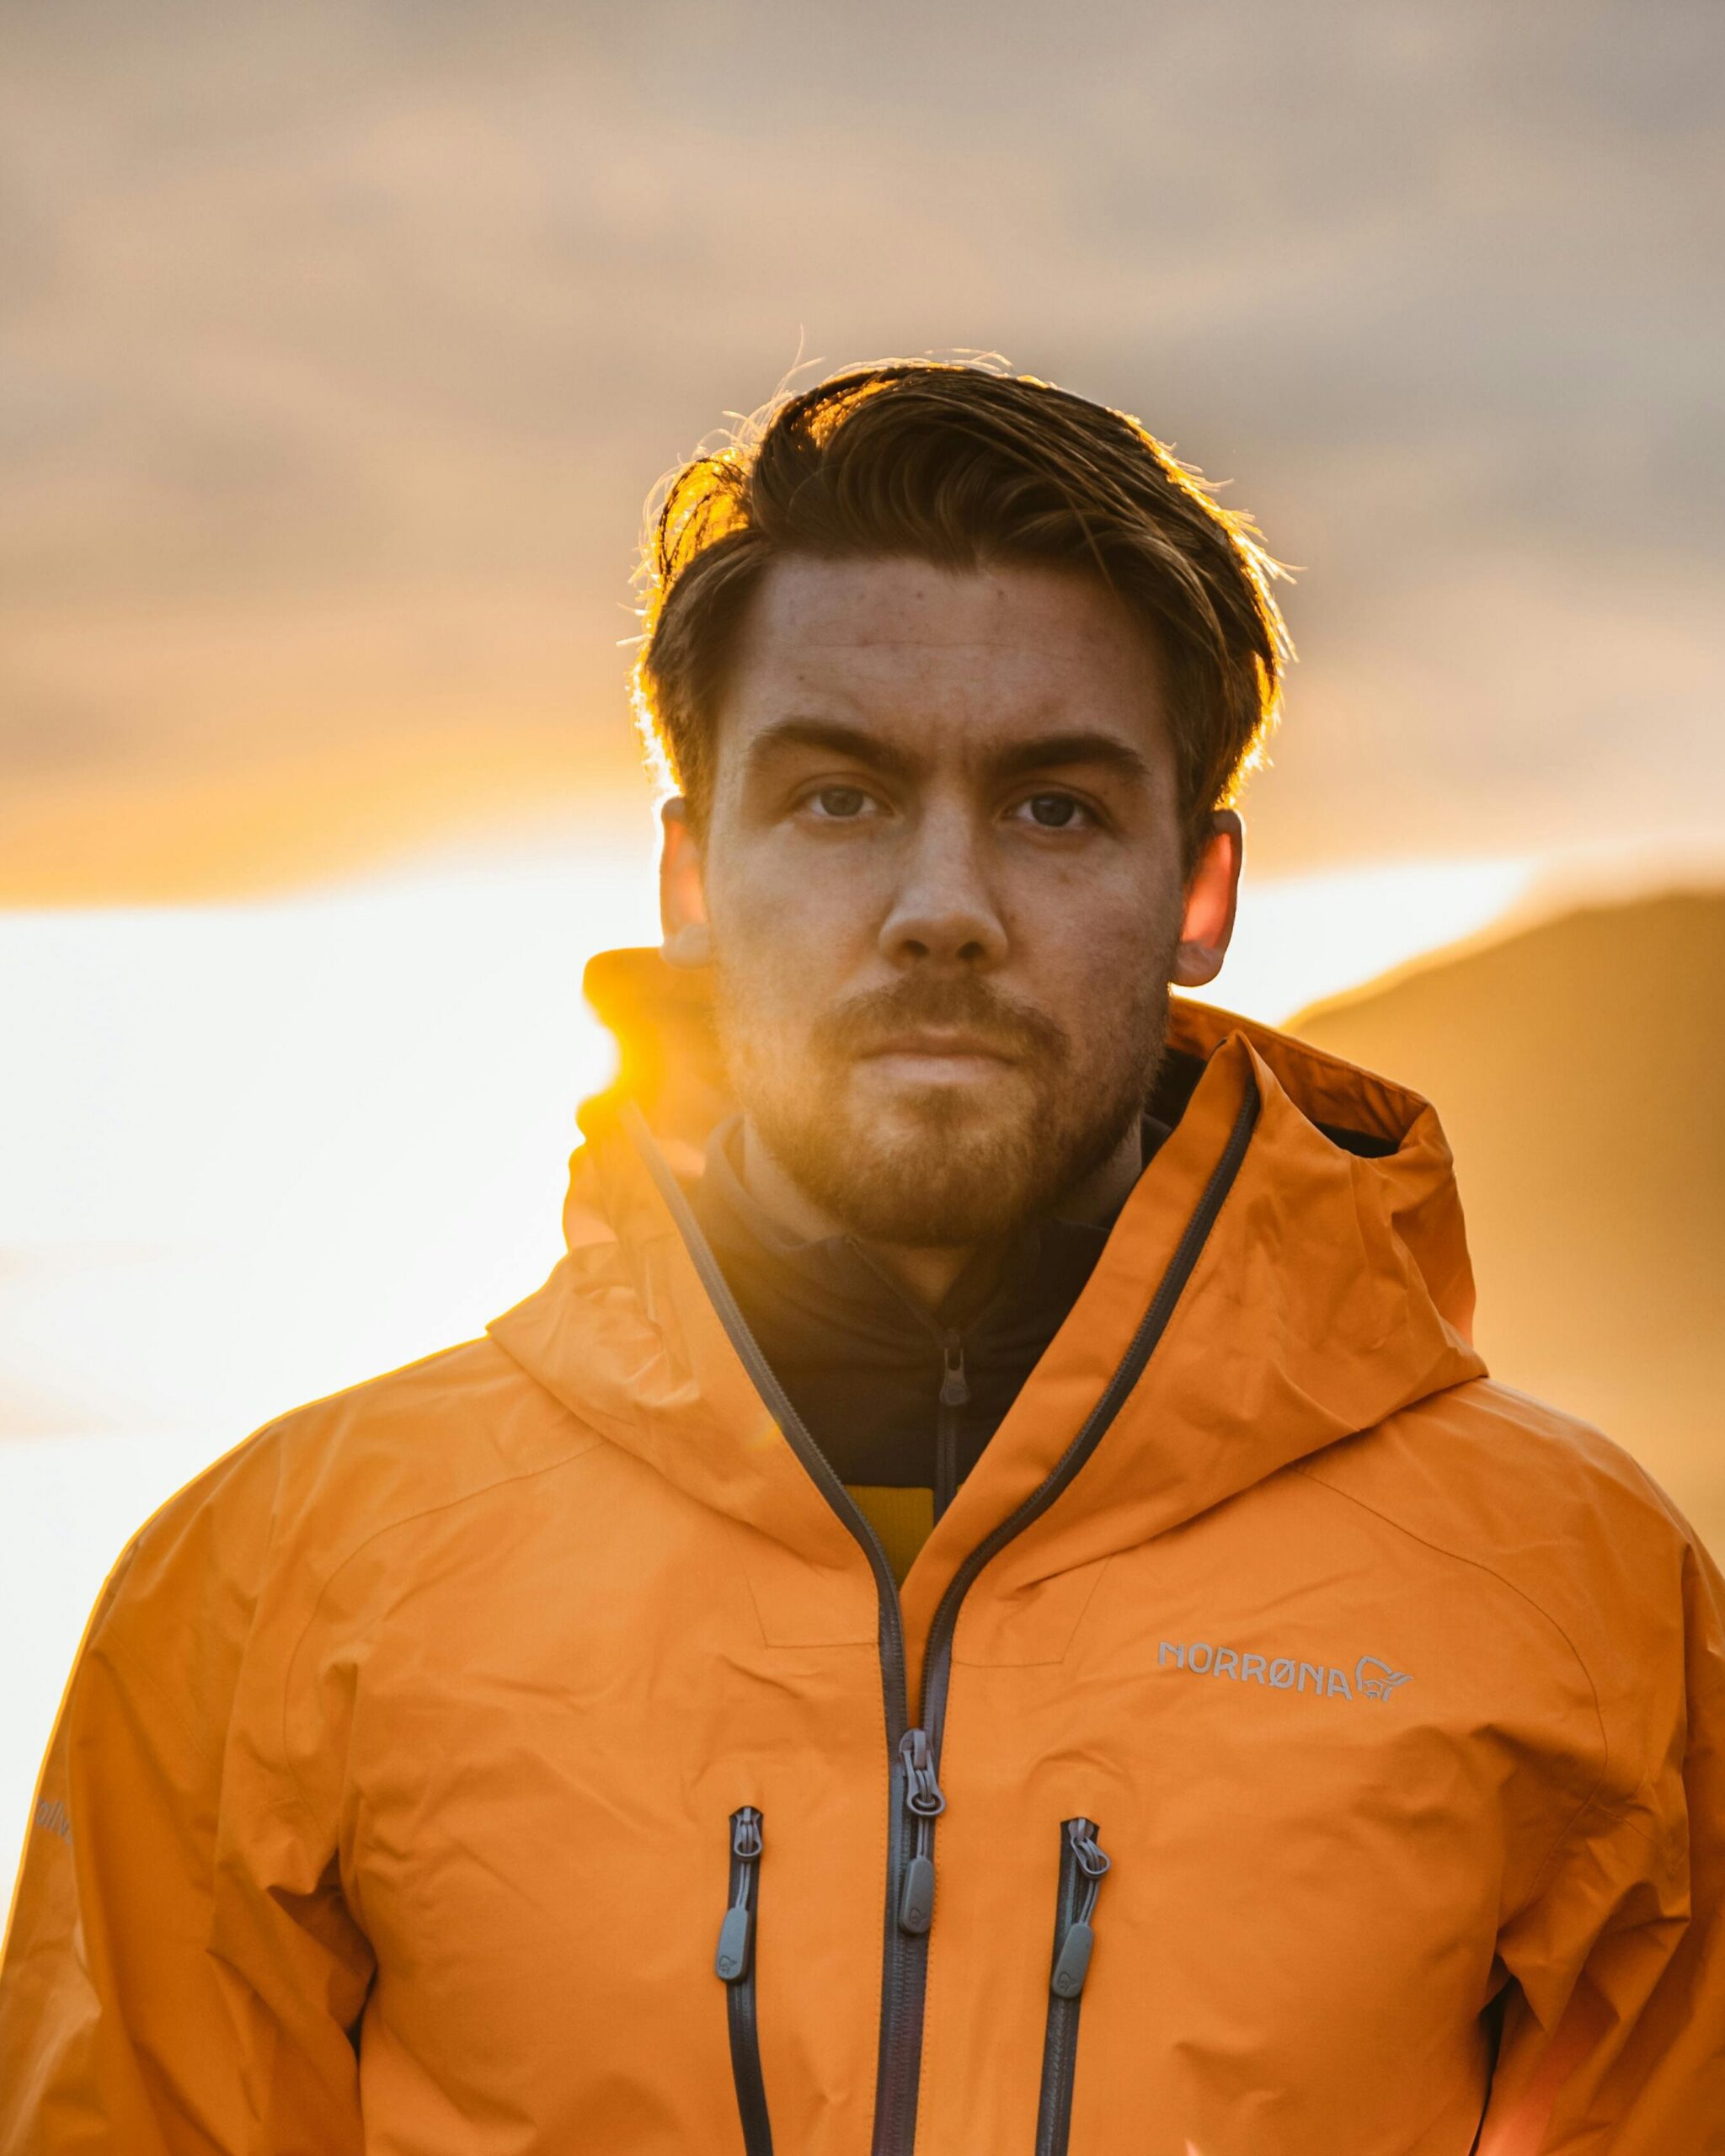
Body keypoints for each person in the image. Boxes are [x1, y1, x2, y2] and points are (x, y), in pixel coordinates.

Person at [2, 361, 1720, 2155]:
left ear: (1200, 894)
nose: (942, 907)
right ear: (689, 876)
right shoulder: (276, 1586)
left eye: (1054, 807)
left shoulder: (1572, 1593)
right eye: (839, 799)